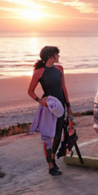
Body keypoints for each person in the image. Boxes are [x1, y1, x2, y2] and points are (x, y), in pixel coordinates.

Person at [28, 46, 71, 176]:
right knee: (48, 136)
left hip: (60, 106)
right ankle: (50, 166)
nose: (58, 57)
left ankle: (53, 159)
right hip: (49, 107)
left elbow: (63, 88)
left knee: (58, 135)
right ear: (50, 56)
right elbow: (30, 91)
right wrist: (39, 100)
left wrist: (68, 106)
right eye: (57, 54)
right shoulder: (39, 72)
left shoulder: (60, 69)